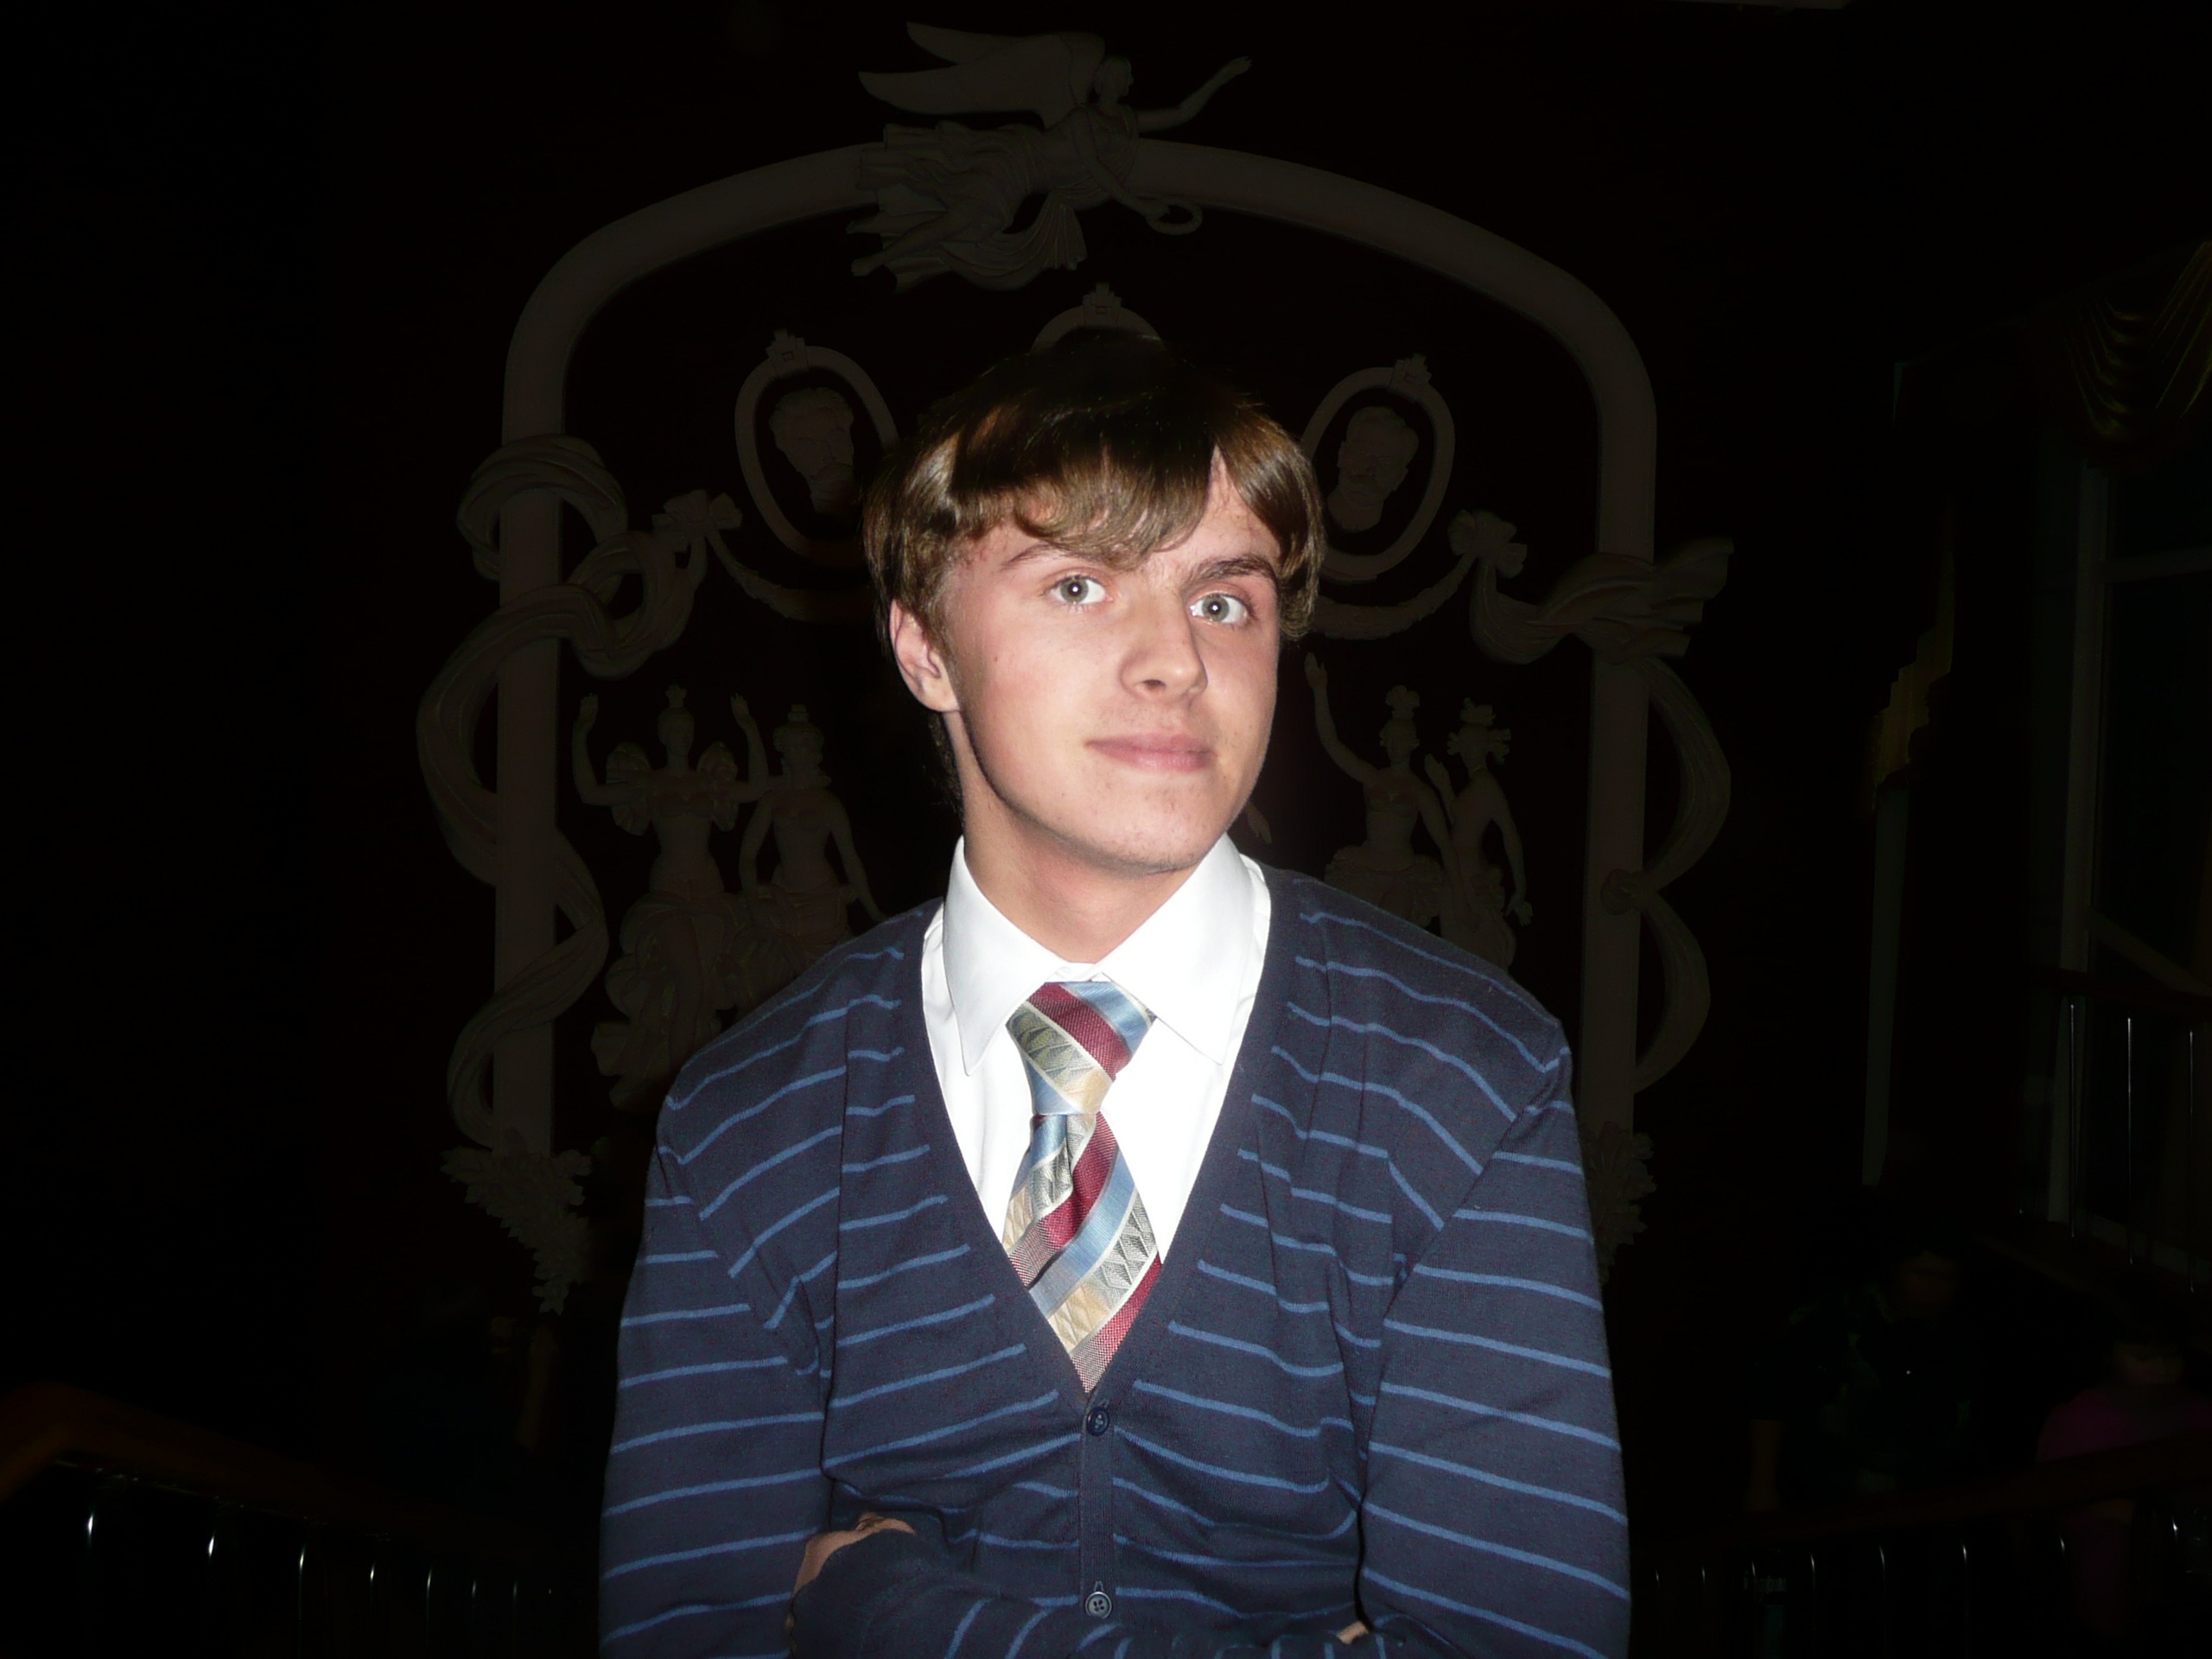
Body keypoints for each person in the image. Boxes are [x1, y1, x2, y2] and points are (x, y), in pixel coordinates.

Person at [601, 337, 1625, 1657]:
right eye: (1080, 584)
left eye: (1223, 600)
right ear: (924, 647)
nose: (1174, 662)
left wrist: (883, 1608)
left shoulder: (1462, 1073)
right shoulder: (748, 1120)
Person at [1745, 1217, 1981, 1512]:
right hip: (1823, 1493)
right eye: (1922, 1274)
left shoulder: (1962, 1335)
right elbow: (1770, 1398)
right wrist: (1762, 1489)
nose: (1933, 1287)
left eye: (1946, 1278)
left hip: (1922, 1499)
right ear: (1895, 1270)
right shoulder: (1835, 1317)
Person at [2037, 1300, 2212, 1644]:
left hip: (2192, 1580)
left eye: (2171, 1357)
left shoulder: (2201, 1413)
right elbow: (2056, 1503)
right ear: (2110, 1357)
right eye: (2143, 1358)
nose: (2162, 1370)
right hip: (2110, 1581)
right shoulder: (2079, 1420)